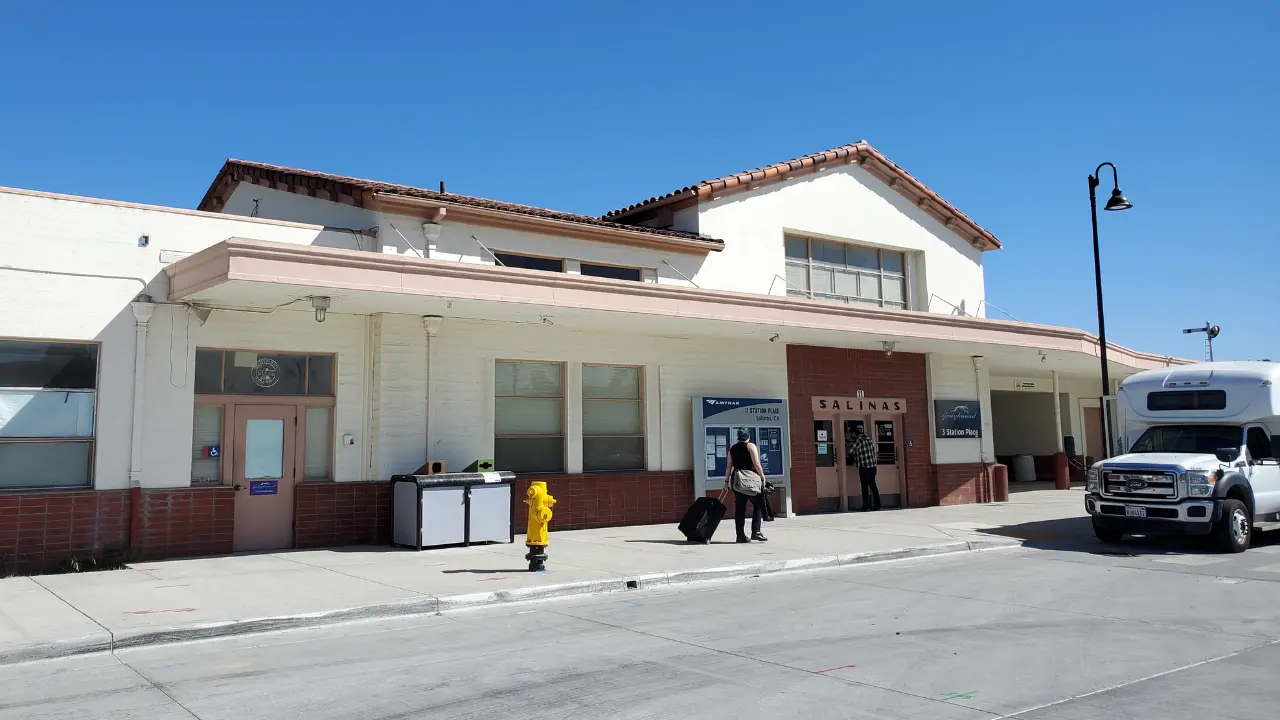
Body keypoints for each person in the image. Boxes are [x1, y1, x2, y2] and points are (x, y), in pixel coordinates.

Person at [724, 428, 767, 543]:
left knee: (740, 508)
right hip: (750, 479)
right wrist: (763, 477)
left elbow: (729, 467)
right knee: (757, 504)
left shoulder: (732, 448)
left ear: (738, 437)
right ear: (748, 436)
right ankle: (756, 532)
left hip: (737, 480)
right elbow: (757, 463)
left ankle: (740, 535)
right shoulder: (750, 446)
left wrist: (726, 482)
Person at [850, 424, 881, 511]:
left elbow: (851, 450)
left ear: (853, 433)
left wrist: (849, 443)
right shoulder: (867, 438)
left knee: (864, 487)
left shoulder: (859, 440)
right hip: (873, 466)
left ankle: (865, 506)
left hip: (865, 467)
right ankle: (877, 504)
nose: (850, 436)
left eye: (850, 434)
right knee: (873, 486)